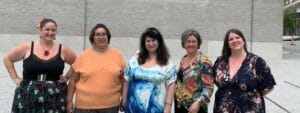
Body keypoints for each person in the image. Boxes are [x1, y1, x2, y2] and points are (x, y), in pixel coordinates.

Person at [3, 17, 76, 113]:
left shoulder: (62, 49)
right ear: (40, 30)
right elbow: (7, 58)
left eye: (53, 30)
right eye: (47, 29)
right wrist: (15, 77)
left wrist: (67, 76)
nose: (50, 32)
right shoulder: (28, 47)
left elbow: (77, 63)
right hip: (28, 95)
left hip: (55, 97)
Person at [66, 23, 126, 113]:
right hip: (84, 107)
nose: (101, 37)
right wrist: (69, 101)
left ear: (108, 37)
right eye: (97, 34)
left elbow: (123, 80)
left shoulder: (117, 55)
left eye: (103, 34)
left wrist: (124, 98)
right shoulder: (83, 56)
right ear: (92, 38)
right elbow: (73, 80)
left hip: (111, 106)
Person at [213, 29, 276, 113]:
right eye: (231, 39)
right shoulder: (220, 62)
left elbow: (268, 86)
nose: (235, 40)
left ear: (243, 41)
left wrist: (252, 97)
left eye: (237, 37)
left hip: (249, 109)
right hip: (222, 109)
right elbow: (217, 82)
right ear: (227, 44)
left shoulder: (256, 62)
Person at [121, 27, 177, 113]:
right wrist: (124, 99)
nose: (151, 44)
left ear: (159, 42)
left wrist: (168, 106)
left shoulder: (167, 62)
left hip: (156, 109)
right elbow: (126, 79)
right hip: (132, 108)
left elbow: (171, 85)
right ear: (144, 43)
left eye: (154, 40)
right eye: (148, 41)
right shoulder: (135, 59)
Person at [174, 29, 214, 113]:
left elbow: (208, 87)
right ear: (184, 44)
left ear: (198, 43)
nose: (191, 44)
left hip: (195, 108)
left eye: (194, 42)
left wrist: (198, 102)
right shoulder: (183, 59)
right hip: (180, 106)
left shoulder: (204, 62)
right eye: (188, 42)